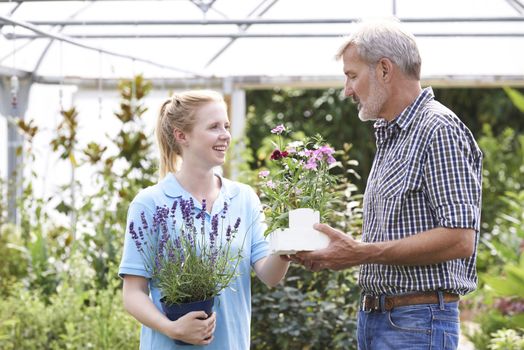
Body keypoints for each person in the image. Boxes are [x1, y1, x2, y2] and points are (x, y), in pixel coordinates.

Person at [294, 18, 483, 349]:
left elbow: (459, 239)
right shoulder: (392, 135)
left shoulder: (438, 130)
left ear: (384, 69)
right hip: (381, 319)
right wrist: (340, 252)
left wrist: (360, 253)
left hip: (418, 323)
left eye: (352, 75)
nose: (347, 90)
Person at [119, 90, 290, 349]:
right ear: (181, 135)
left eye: (226, 126)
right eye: (213, 127)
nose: (225, 135)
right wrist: (172, 328)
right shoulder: (150, 203)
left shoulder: (244, 198)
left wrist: (287, 247)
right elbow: (133, 293)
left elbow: (270, 275)